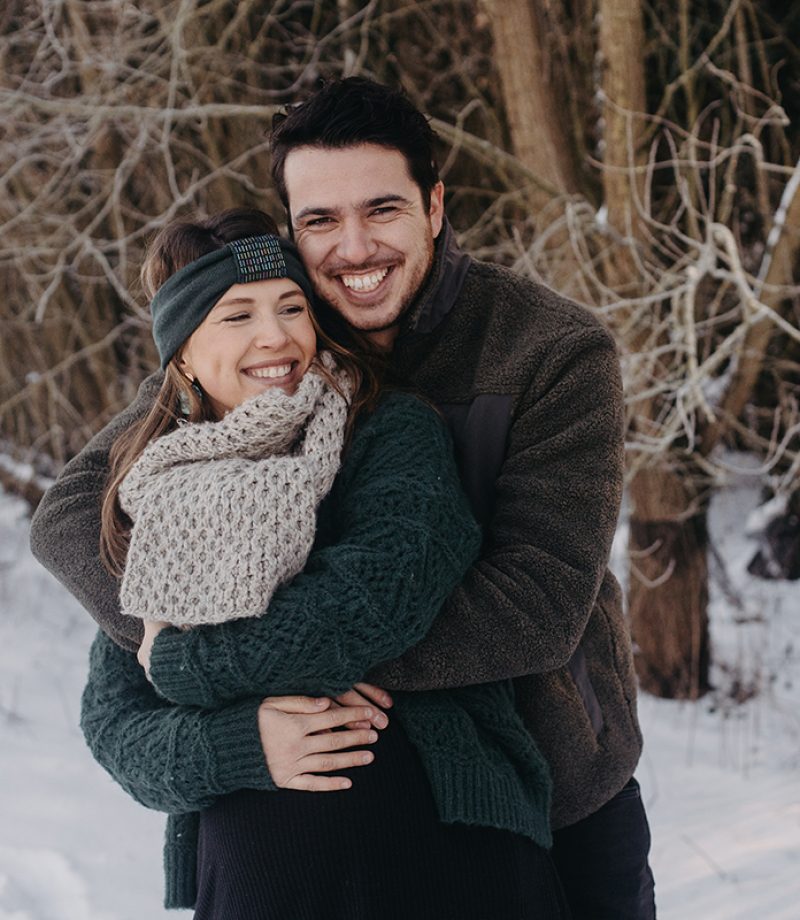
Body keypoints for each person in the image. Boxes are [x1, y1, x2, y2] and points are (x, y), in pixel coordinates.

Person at [31, 78, 655, 918]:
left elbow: (535, 606)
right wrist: (213, 698)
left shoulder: (548, 350)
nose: (354, 249)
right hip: (299, 823)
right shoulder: (259, 352)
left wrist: (226, 663)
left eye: (383, 210)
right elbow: (74, 513)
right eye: (321, 221)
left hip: (551, 773)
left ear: (434, 206)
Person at [67, 208, 568, 918]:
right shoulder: (154, 487)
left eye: (292, 307)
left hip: (443, 850)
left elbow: (372, 601)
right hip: (262, 877)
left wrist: (187, 663)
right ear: (181, 353)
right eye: (237, 315)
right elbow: (117, 724)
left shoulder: (387, 432)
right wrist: (246, 743)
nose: (276, 336)